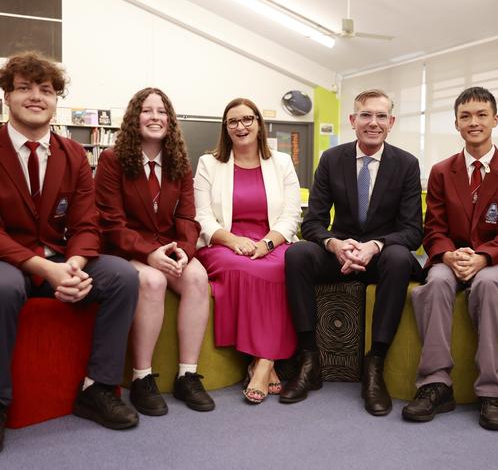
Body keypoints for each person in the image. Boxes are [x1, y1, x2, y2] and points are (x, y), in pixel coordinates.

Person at [0, 52, 140, 452]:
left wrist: (74, 266)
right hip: (9, 262)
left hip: (63, 259)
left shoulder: (75, 154)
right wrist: (47, 269)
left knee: (122, 276)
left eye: (45, 90)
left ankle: (97, 389)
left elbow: (85, 223)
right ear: (7, 95)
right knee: (3, 289)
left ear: (56, 99)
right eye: (24, 87)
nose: (36, 97)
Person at [281, 88, 423, 416]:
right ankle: (309, 359)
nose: (373, 122)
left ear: (391, 122)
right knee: (297, 254)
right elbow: (313, 222)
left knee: (401, 257)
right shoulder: (332, 160)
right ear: (352, 120)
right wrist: (334, 244)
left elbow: (412, 230)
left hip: (382, 257)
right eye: (366, 115)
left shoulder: (406, 164)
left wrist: (375, 246)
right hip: (340, 254)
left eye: (381, 116)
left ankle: (375, 365)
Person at [401, 87, 498, 430]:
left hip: (495, 262)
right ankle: (435, 384)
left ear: (495, 120)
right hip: (451, 257)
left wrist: (484, 258)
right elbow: (434, 227)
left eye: (481, 115)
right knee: (437, 281)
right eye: (465, 116)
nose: (474, 122)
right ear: (456, 123)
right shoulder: (442, 172)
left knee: (489, 286)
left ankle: (491, 392)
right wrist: (447, 254)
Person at [95, 88, 215, 416]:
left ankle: (187, 375)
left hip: (170, 247)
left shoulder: (179, 162)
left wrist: (185, 252)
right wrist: (150, 253)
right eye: (146, 111)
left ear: (170, 121)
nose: (154, 117)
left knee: (197, 277)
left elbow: (188, 217)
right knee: (151, 282)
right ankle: (142, 378)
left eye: (161, 112)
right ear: (135, 119)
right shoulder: (111, 160)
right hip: (126, 249)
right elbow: (111, 223)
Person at [194, 98, 300, 404]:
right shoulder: (209, 164)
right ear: (225, 129)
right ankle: (266, 361)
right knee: (244, 268)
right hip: (224, 243)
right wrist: (232, 241)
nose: (241, 127)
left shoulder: (280, 163)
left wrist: (267, 242)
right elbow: (202, 216)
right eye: (233, 122)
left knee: (282, 267)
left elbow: (292, 214)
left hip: (272, 240)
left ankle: (262, 362)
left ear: (259, 123)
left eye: (247, 119)